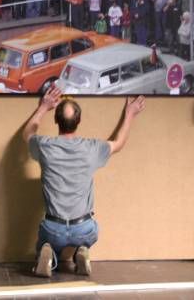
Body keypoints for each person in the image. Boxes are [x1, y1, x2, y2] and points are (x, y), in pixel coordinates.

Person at [23, 87, 146, 277]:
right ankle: (82, 249)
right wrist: (130, 114)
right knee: (90, 230)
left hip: (53, 228)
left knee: (45, 241)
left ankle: (48, 253)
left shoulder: (44, 146)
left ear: (56, 120)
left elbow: (27, 134)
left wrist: (43, 107)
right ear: (78, 121)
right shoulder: (92, 148)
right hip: (83, 228)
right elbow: (118, 143)